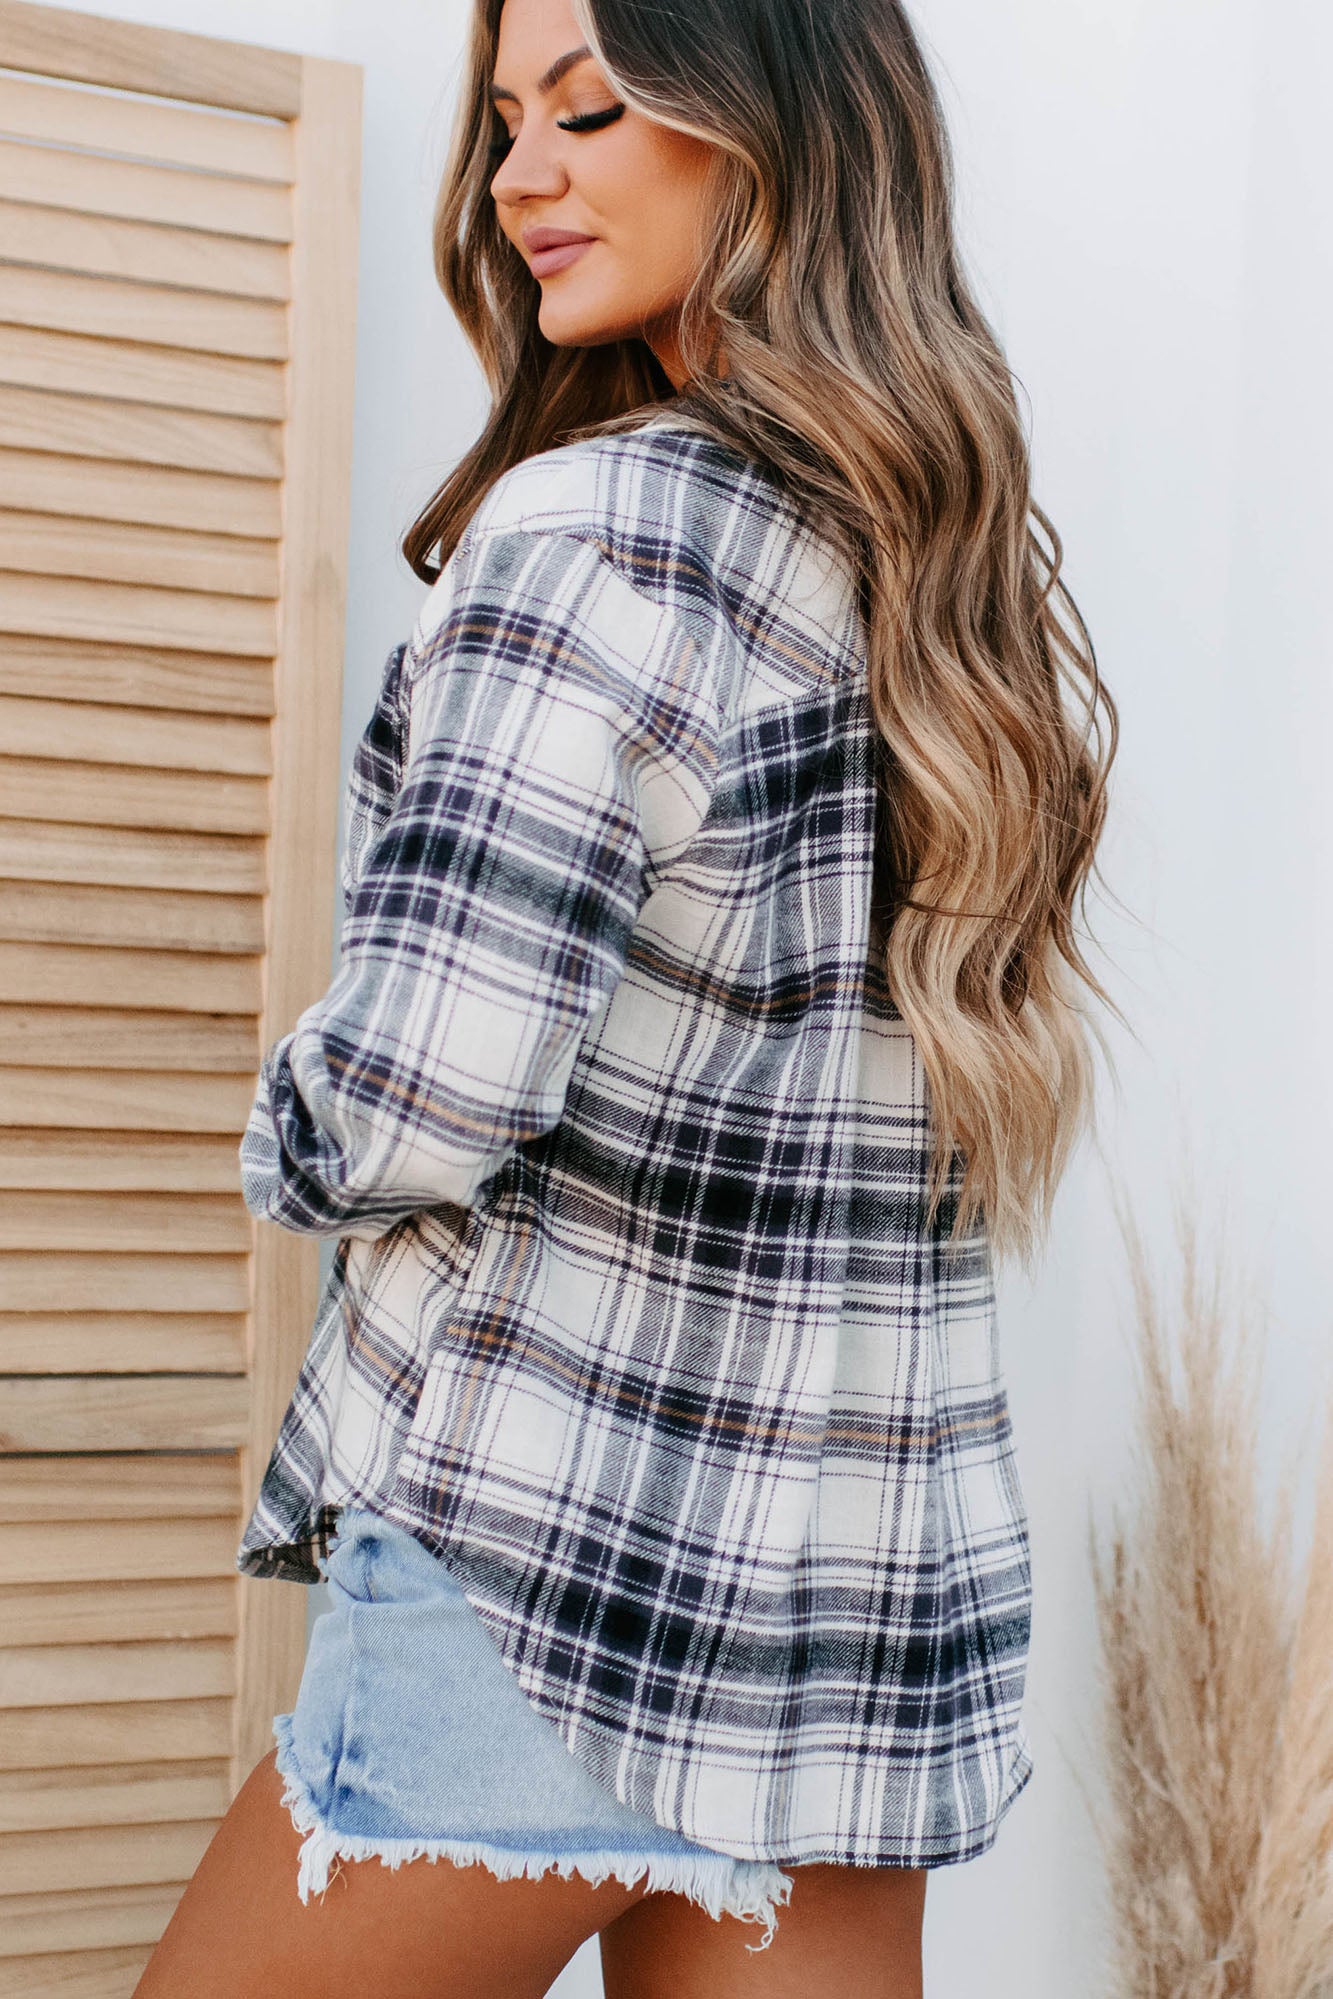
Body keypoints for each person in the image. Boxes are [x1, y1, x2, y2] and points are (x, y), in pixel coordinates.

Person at [137, 0, 1119, 1991]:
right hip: (846, 1606)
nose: (520, 176)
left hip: (553, 1574)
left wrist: (287, 1118)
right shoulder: (944, 576)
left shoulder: (589, 528)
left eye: (588, 109)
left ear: (771, 125)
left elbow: (420, 1093)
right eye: (507, 119)